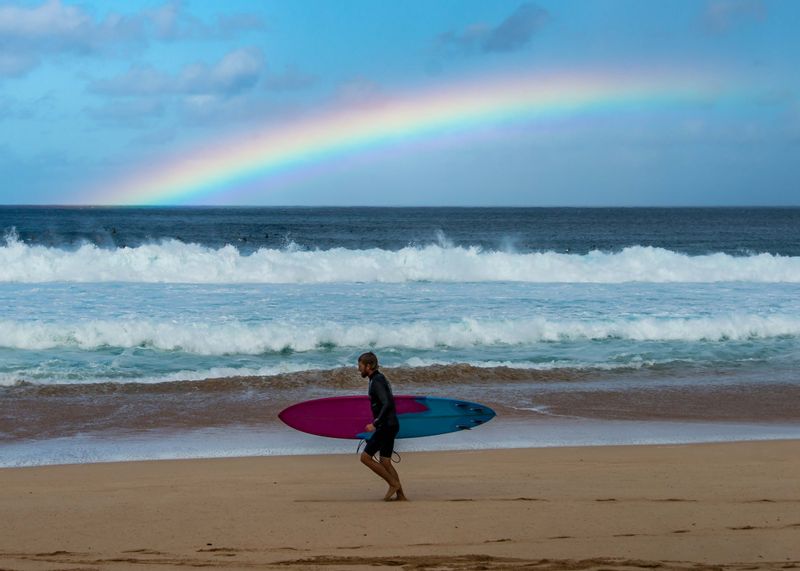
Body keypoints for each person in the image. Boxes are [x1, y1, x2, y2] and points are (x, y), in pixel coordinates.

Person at [358, 351, 407, 501]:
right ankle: (401, 495)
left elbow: (388, 403)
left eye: (360, 365)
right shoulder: (378, 379)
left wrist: (375, 423)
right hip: (391, 425)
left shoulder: (377, 381)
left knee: (365, 458)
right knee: (385, 461)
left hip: (385, 426)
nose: (358, 369)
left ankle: (393, 484)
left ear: (369, 366)